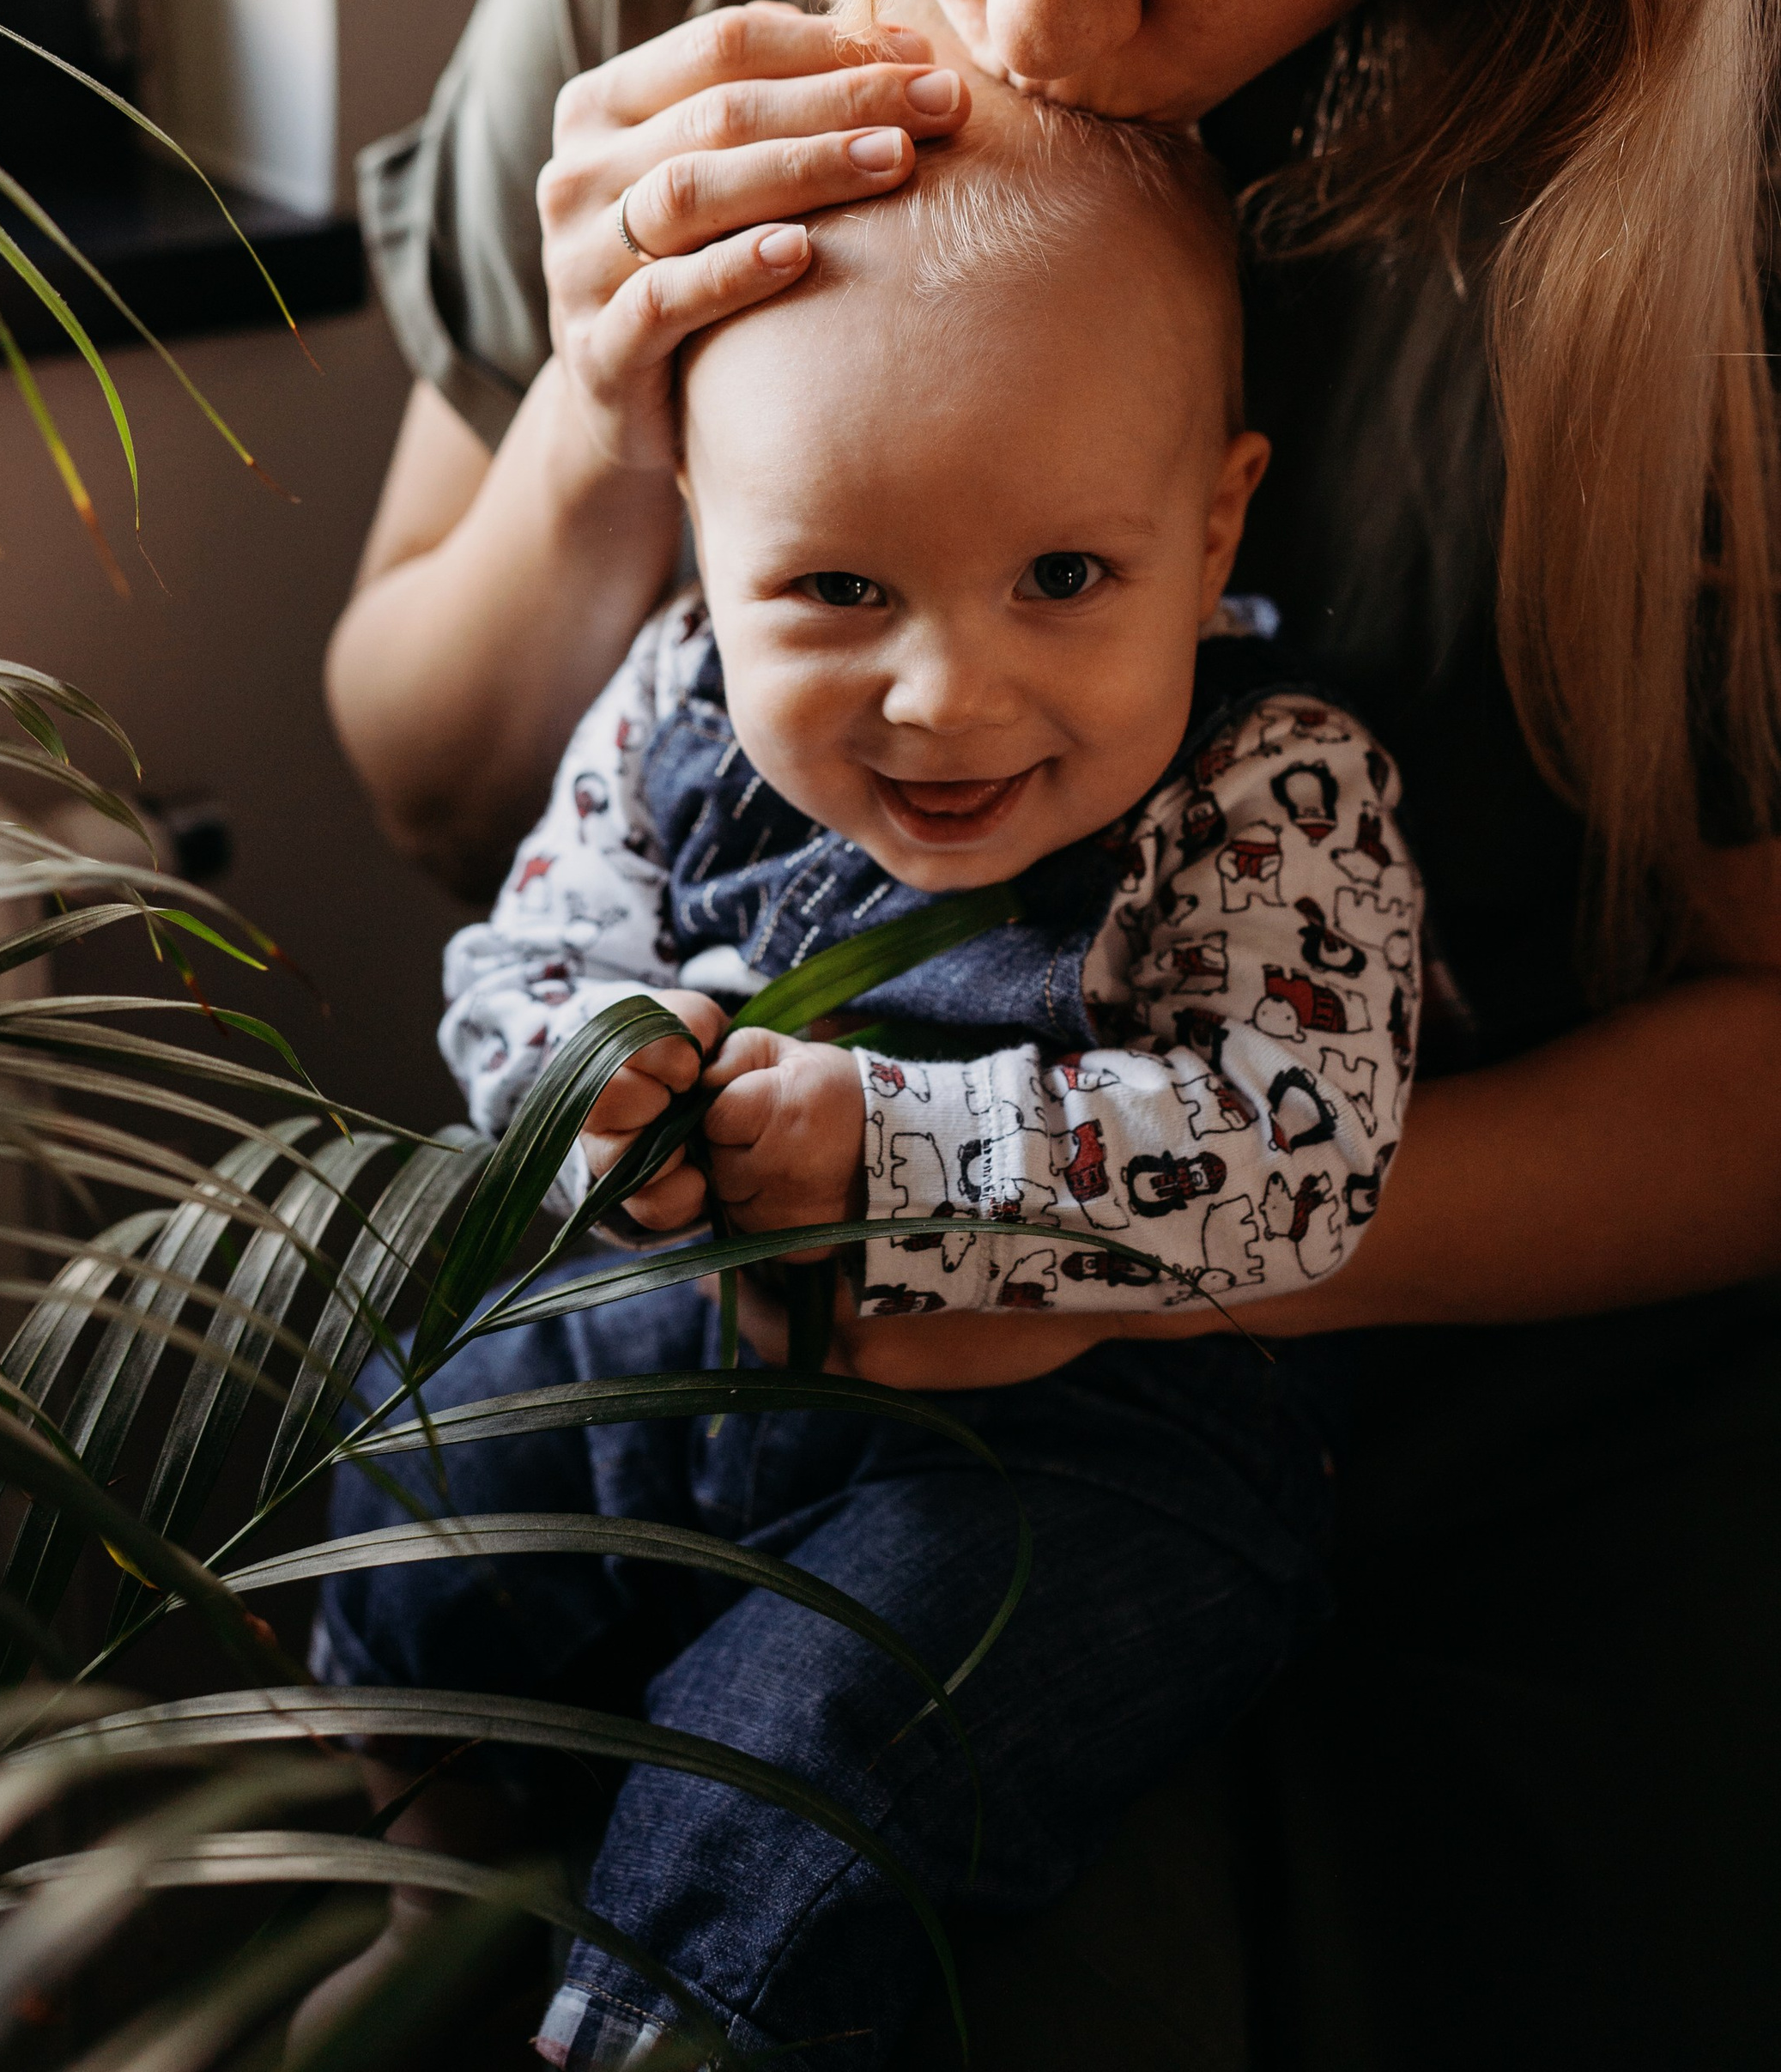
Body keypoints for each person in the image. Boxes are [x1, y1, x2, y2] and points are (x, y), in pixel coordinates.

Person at [325, 0, 1781, 2054]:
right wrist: (617, 412)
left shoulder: (1678, 203)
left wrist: (1065, 1219)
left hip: (1505, 1392)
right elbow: (437, 781)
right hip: (771, 1341)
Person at [323, 102, 1421, 2068]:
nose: (942, 694)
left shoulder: (1278, 788)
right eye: (832, 588)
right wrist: (593, 1086)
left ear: (1216, 525)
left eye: (1065, 575)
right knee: (418, 1460)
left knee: (811, 1748)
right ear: (699, 530)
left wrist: (914, 1160)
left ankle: (655, 2019)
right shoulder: (664, 691)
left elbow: (1304, 1148)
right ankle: (431, 1868)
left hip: (1091, 1446)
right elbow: (522, 955)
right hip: (677, 1332)